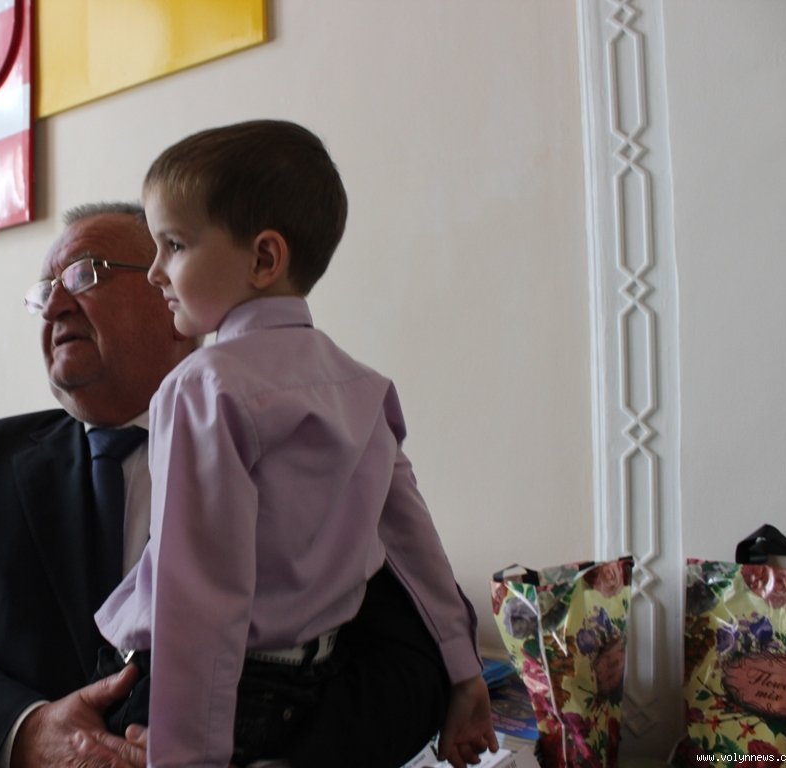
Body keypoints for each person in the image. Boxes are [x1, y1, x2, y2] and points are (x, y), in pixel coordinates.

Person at [0, 201, 478, 768]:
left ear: (172, 295)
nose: (55, 305)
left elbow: (415, 655)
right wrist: (27, 732)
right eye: (45, 290)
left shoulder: (302, 438)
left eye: (85, 275)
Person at [93, 120, 497, 768]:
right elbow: (415, 544)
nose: (154, 273)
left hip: (208, 699)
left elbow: (197, 596)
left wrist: (186, 759)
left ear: (263, 259)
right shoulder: (361, 386)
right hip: (314, 687)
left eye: (173, 245)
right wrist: (464, 671)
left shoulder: (203, 387)